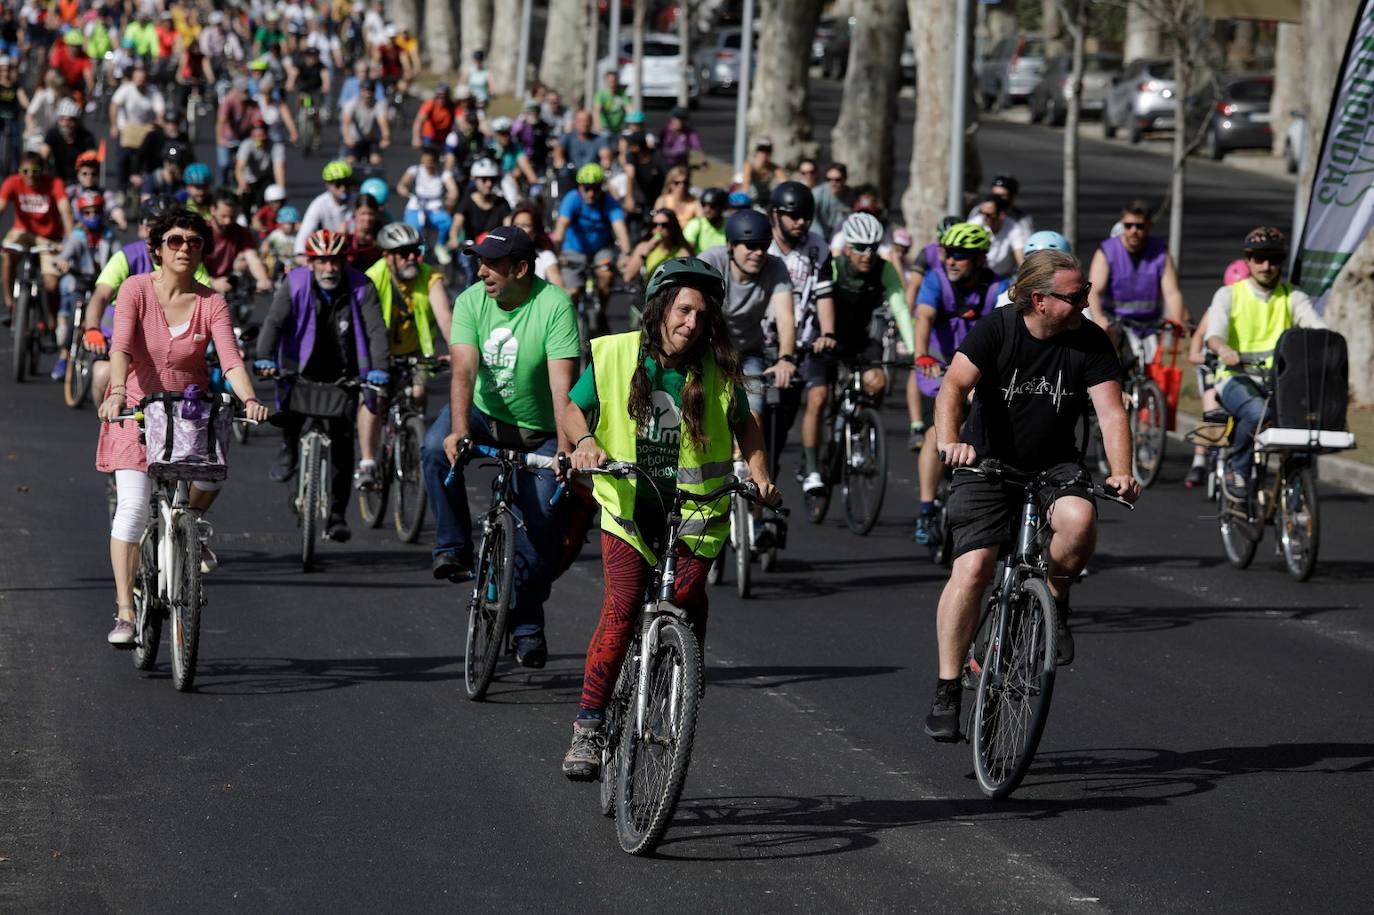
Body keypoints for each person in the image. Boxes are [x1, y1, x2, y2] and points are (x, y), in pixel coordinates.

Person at [558, 258, 781, 780]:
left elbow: (744, 424)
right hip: (631, 510)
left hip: (695, 511)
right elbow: (572, 407)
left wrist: (761, 474)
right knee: (620, 610)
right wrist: (586, 442)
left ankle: (682, 665)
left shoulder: (718, 370)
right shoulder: (617, 353)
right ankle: (588, 728)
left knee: (686, 598)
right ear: (660, 309)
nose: (692, 324)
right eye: (683, 311)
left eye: (703, 316)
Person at [924, 249, 1140, 740]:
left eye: (1087, 292)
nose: (1086, 302)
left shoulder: (1089, 339)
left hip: (1054, 464)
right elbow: (954, 387)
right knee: (975, 567)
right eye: (1076, 295)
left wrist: (1122, 470)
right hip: (985, 461)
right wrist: (949, 441)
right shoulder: (997, 329)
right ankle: (948, 686)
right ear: (1039, 300)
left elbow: (1110, 412)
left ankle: (1056, 601)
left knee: (1080, 522)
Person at [95, 207, 268, 646]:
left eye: (194, 242)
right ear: (156, 249)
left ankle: (189, 529)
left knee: (212, 473)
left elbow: (230, 359)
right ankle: (125, 612)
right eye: (175, 241)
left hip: (187, 410)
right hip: (134, 407)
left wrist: (249, 398)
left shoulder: (212, 301)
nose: (185, 249)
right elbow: (120, 347)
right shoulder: (135, 289)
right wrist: (116, 390)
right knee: (133, 507)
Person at [421, 226, 580, 667]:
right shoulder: (472, 300)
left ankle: (527, 622)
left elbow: (562, 390)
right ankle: (453, 547)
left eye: (491, 264)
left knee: (543, 520)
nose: (482, 271)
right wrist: (457, 431)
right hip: (484, 417)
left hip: (541, 429)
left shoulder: (554, 307)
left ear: (521, 268)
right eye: (479, 262)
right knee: (435, 449)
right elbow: (462, 374)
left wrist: (564, 451)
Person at [255, 229, 390, 540]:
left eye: (336, 261)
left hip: (344, 371)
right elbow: (274, 322)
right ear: (312, 263)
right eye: (323, 261)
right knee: (290, 415)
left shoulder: (361, 285)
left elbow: (376, 330)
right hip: (300, 365)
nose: (330, 268)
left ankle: (338, 516)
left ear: (344, 262)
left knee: (343, 446)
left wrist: (379, 368)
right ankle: (289, 449)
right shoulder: (296, 283)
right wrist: (264, 358)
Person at [1205, 227, 1325, 499]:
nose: (1266, 266)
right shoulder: (1229, 295)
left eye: (1273, 259)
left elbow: (1316, 328)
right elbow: (1213, 335)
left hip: (1279, 382)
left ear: (1282, 263)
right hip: (1235, 376)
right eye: (1259, 258)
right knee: (1258, 413)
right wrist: (1223, 349)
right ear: (1248, 260)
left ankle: (1296, 500)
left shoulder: (1293, 296)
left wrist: (1324, 343)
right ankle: (1239, 470)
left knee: (1305, 428)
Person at [798, 213, 913, 495]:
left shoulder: (884, 269)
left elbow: (899, 307)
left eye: (873, 247)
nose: (867, 254)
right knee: (818, 398)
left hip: (859, 340)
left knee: (877, 381)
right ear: (847, 247)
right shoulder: (833, 266)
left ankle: (859, 432)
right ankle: (812, 468)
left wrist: (914, 351)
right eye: (860, 247)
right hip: (825, 339)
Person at [911, 222, 1010, 545]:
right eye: (947, 254)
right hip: (940, 369)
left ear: (980, 259)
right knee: (935, 434)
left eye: (960, 255)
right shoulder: (935, 280)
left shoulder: (1000, 288)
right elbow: (924, 316)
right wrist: (921, 354)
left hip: (983, 375)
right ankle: (926, 510)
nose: (950, 260)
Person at [356, 222, 453, 489]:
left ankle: (410, 435)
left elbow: (446, 318)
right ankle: (366, 463)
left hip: (415, 353)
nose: (412, 257)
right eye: (403, 252)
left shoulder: (429, 277)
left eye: (415, 250)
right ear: (387, 255)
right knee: (373, 400)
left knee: (419, 394)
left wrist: (458, 351)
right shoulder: (372, 278)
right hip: (379, 354)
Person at [697, 209, 797, 424]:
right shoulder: (711, 261)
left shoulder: (775, 267)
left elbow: (786, 317)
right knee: (702, 412)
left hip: (748, 352)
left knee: (753, 415)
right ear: (731, 246)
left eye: (764, 245)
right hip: (708, 349)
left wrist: (785, 359)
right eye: (751, 246)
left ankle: (744, 458)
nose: (759, 252)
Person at [765, 181, 835, 479]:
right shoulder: (760, 243)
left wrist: (828, 333)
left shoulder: (818, 246)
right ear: (775, 215)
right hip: (762, 341)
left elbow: (824, 295)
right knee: (753, 420)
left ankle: (764, 491)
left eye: (806, 216)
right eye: (794, 216)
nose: (801, 222)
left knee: (779, 429)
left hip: (801, 344)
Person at [1086, 199, 1187, 341]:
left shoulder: (1160, 251)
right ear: (1122, 224)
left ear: (1149, 226)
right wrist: (1099, 319)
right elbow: (1094, 290)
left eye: (1139, 226)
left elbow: (1172, 293)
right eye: (1128, 226)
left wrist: (1177, 323)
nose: (1134, 231)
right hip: (1116, 325)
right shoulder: (1107, 251)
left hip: (1150, 327)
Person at [51, 188, 119, 381]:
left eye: (96, 211)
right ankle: (64, 357)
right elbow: (63, 256)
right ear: (81, 214)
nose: (92, 216)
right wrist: (62, 263)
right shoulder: (77, 235)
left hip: (103, 283)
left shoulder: (108, 234)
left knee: (110, 316)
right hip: (81, 281)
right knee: (75, 314)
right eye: (87, 212)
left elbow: (119, 256)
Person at [0, 150, 73, 328]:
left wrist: (70, 242)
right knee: (7, 256)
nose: (30, 176)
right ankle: (10, 304)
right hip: (22, 233)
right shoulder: (12, 183)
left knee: (51, 283)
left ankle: (51, 319)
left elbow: (65, 211)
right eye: (25, 172)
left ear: (42, 171)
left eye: (35, 171)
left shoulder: (54, 184)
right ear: (19, 171)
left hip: (49, 238)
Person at [551, 163, 630, 306]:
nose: (591, 194)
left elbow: (619, 227)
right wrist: (557, 254)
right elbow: (561, 227)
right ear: (579, 187)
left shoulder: (608, 201)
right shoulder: (572, 199)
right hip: (573, 249)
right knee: (571, 292)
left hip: (600, 249)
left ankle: (602, 309)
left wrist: (626, 254)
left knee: (606, 276)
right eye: (586, 189)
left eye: (595, 188)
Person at [109, 60, 166, 192]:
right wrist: (114, 125)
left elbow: (160, 110)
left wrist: (159, 120)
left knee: (151, 157)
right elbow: (114, 105)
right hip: (128, 126)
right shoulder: (126, 89)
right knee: (123, 156)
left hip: (145, 127)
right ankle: (122, 187)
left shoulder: (153, 91)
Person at [396, 146, 460, 261]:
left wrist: (450, 199)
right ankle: (415, 250)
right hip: (416, 206)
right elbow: (402, 184)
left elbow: (453, 191)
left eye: (431, 162)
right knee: (413, 228)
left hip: (435, 208)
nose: (428, 165)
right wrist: (403, 189)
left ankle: (440, 246)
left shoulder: (443, 175)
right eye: (425, 161)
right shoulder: (414, 170)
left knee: (447, 223)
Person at [204, 190, 272, 294]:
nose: (228, 221)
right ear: (213, 210)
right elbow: (191, 268)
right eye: (223, 216)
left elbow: (252, 258)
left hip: (228, 284)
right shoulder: (202, 232)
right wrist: (213, 282)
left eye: (232, 217)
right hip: (203, 284)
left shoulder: (241, 231)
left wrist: (263, 279)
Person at [295, 160, 358, 255]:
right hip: (329, 253)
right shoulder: (319, 204)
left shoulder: (358, 200)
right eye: (338, 184)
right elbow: (305, 233)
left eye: (347, 183)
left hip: (354, 250)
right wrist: (299, 254)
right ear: (328, 185)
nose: (343, 188)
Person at [623, 209, 690, 286]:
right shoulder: (643, 246)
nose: (659, 228)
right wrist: (646, 251)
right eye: (654, 225)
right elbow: (628, 277)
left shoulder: (682, 250)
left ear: (672, 227)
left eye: (664, 225)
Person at [967, 194, 1027, 278]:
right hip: (978, 277)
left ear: (1001, 215)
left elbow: (1020, 259)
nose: (984, 218)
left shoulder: (1013, 227)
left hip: (1004, 278)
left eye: (988, 215)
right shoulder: (974, 224)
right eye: (982, 213)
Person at [509, 202, 565, 288]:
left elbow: (559, 287)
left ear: (535, 231)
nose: (519, 229)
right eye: (516, 225)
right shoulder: (503, 254)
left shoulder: (546, 256)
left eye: (525, 225)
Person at [40, 97, 96, 182]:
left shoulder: (86, 136)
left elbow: (92, 156)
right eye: (62, 119)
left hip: (80, 180)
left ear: (77, 121)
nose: (66, 124)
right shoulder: (52, 134)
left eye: (70, 120)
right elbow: (43, 154)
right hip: (57, 179)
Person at [339, 78, 389, 167]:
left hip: (371, 139)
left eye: (370, 91)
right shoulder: (352, 103)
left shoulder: (378, 104)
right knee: (350, 161)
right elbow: (346, 121)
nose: (367, 94)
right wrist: (347, 137)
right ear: (361, 91)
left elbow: (383, 122)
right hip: (355, 140)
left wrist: (385, 138)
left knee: (376, 161)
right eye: (365, 91)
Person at [968, 174, 1033, 237]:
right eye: (995, 195)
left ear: (1012, 197)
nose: (997, 199)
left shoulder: (1021, 217)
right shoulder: (980, 210)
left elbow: (1027, 240)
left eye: (1002, 196)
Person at [553, 109, 608, 178]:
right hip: (570, 176)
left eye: (587, 121)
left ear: (591, 122)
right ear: (575, 122)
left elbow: (605, 156)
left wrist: (605, 162)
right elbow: (558, 150)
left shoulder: (599, 139)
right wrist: (559, 159)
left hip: (591, 177)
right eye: (581, 121)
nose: (584, 124)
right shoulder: (567, 137)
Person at [234, 118, 274, 206]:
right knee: (243, 196)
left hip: (264, 179)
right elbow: (240, 168)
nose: (260, 139)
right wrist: (242, 183)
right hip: (248, 179)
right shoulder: (246, 145)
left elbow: (279, 169)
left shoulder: (273, 145)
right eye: (257, 136)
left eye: (262, 135)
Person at [812, 162, 853, 242]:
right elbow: (811, 219)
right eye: (829, 179)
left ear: (845, 178)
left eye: (837, 180)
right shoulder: (817, 194)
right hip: (819, 236)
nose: (833, 183)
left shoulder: (851, 195)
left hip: (843, 238)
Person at [738, 137, 787, 205]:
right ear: (756, 152)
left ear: (770, 153)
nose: (763, 153)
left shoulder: (774, 168)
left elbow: (785, 184)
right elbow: (745, 184)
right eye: (761, 150)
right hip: (749, 199)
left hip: (764, 201)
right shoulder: (749, 165)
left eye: (767, 151)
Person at [411, 82, 457, 149]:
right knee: (429, 157)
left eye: (444, 96)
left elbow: (460, 120)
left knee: (449, 156)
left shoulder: (452, 105)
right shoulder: (430, 104)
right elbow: (418, 121)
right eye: (438, 95)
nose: (441, 98)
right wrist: (416, 138)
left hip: (446, 137)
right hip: (430, 136)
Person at [656, 106, 703, 171]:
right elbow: (656, 145)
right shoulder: (664, 131)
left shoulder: (689, 133)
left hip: (681, 166)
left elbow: (698, 147)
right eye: (675, 119)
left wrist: (702, 161)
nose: (677, 123)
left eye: (682, 120)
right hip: (664, 164)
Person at [684, 187, 728, 254]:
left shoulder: (730, 225)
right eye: (703, 204)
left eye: (712, 205)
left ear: (723, 206)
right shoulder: (696, 224)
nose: (707, 209)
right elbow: (685, 250)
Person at [593, 69, 627, 134]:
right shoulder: (601, 94)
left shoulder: (622, 94)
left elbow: (629, 109)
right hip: (605, 128)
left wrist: (633, 123)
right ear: (606, 81)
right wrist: (597, 125)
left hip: (619, 128)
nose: (612, 83)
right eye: (610, 81)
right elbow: (596, 110)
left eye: (613, 81)